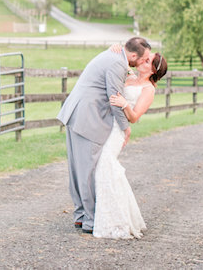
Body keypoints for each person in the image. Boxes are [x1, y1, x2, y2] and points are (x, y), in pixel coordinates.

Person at [57, 37, 152, 234]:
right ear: (133, 55)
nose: (143, 62)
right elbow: (114, 98)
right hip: (88, 117)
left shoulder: (114, 55)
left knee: (77, 168)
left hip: (76, 112)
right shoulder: (118, 62)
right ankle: (90, 220)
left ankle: (80, 215)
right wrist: (125, 128)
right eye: (143, 59)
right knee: (88, 170)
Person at [93, 52, 168, 239]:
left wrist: (124, 103)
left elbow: (134, 117)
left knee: (105, 165)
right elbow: (123, 56)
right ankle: (107, 213)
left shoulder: (148, 89)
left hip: (118, 131)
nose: (143, 60)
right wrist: (116, 48)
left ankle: (117, 219)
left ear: (152, 70)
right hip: (106, 125)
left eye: (148, 61)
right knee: (102, 168)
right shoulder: (130, 77)